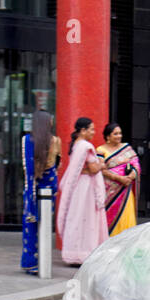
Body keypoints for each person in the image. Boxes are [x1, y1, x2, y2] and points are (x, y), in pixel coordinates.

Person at [56, 118, 109, 266]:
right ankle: (87, 253)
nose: (93, 132)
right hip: (87, 188)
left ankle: (73, 253)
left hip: (79, 187)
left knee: (77, 219)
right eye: (91, 129)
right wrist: (102, 164)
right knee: (88, 220)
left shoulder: (76, 145)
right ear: (83, 130)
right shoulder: (86, 146)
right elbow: (93, 168)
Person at [20, 109, 61, 274]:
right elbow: (57, 166)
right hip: (48, 190)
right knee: (44, 225)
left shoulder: (27, 140)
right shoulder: (55, 141)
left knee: (30, 225)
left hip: (33, 189)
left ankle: (31, 262)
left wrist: (30, 191)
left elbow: (28, 170)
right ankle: (42, 262)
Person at [96, 121, 141, 236]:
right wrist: (119, 178)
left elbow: (136, 164)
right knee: (109, 218)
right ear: (108, 136)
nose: (119, 136)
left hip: (125, 191)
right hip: (109, 192)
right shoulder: (101, 150)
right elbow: (102, 169)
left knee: (126, 218)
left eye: (120, 133)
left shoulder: (127, 148)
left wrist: (129, 177)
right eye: (115, 134)